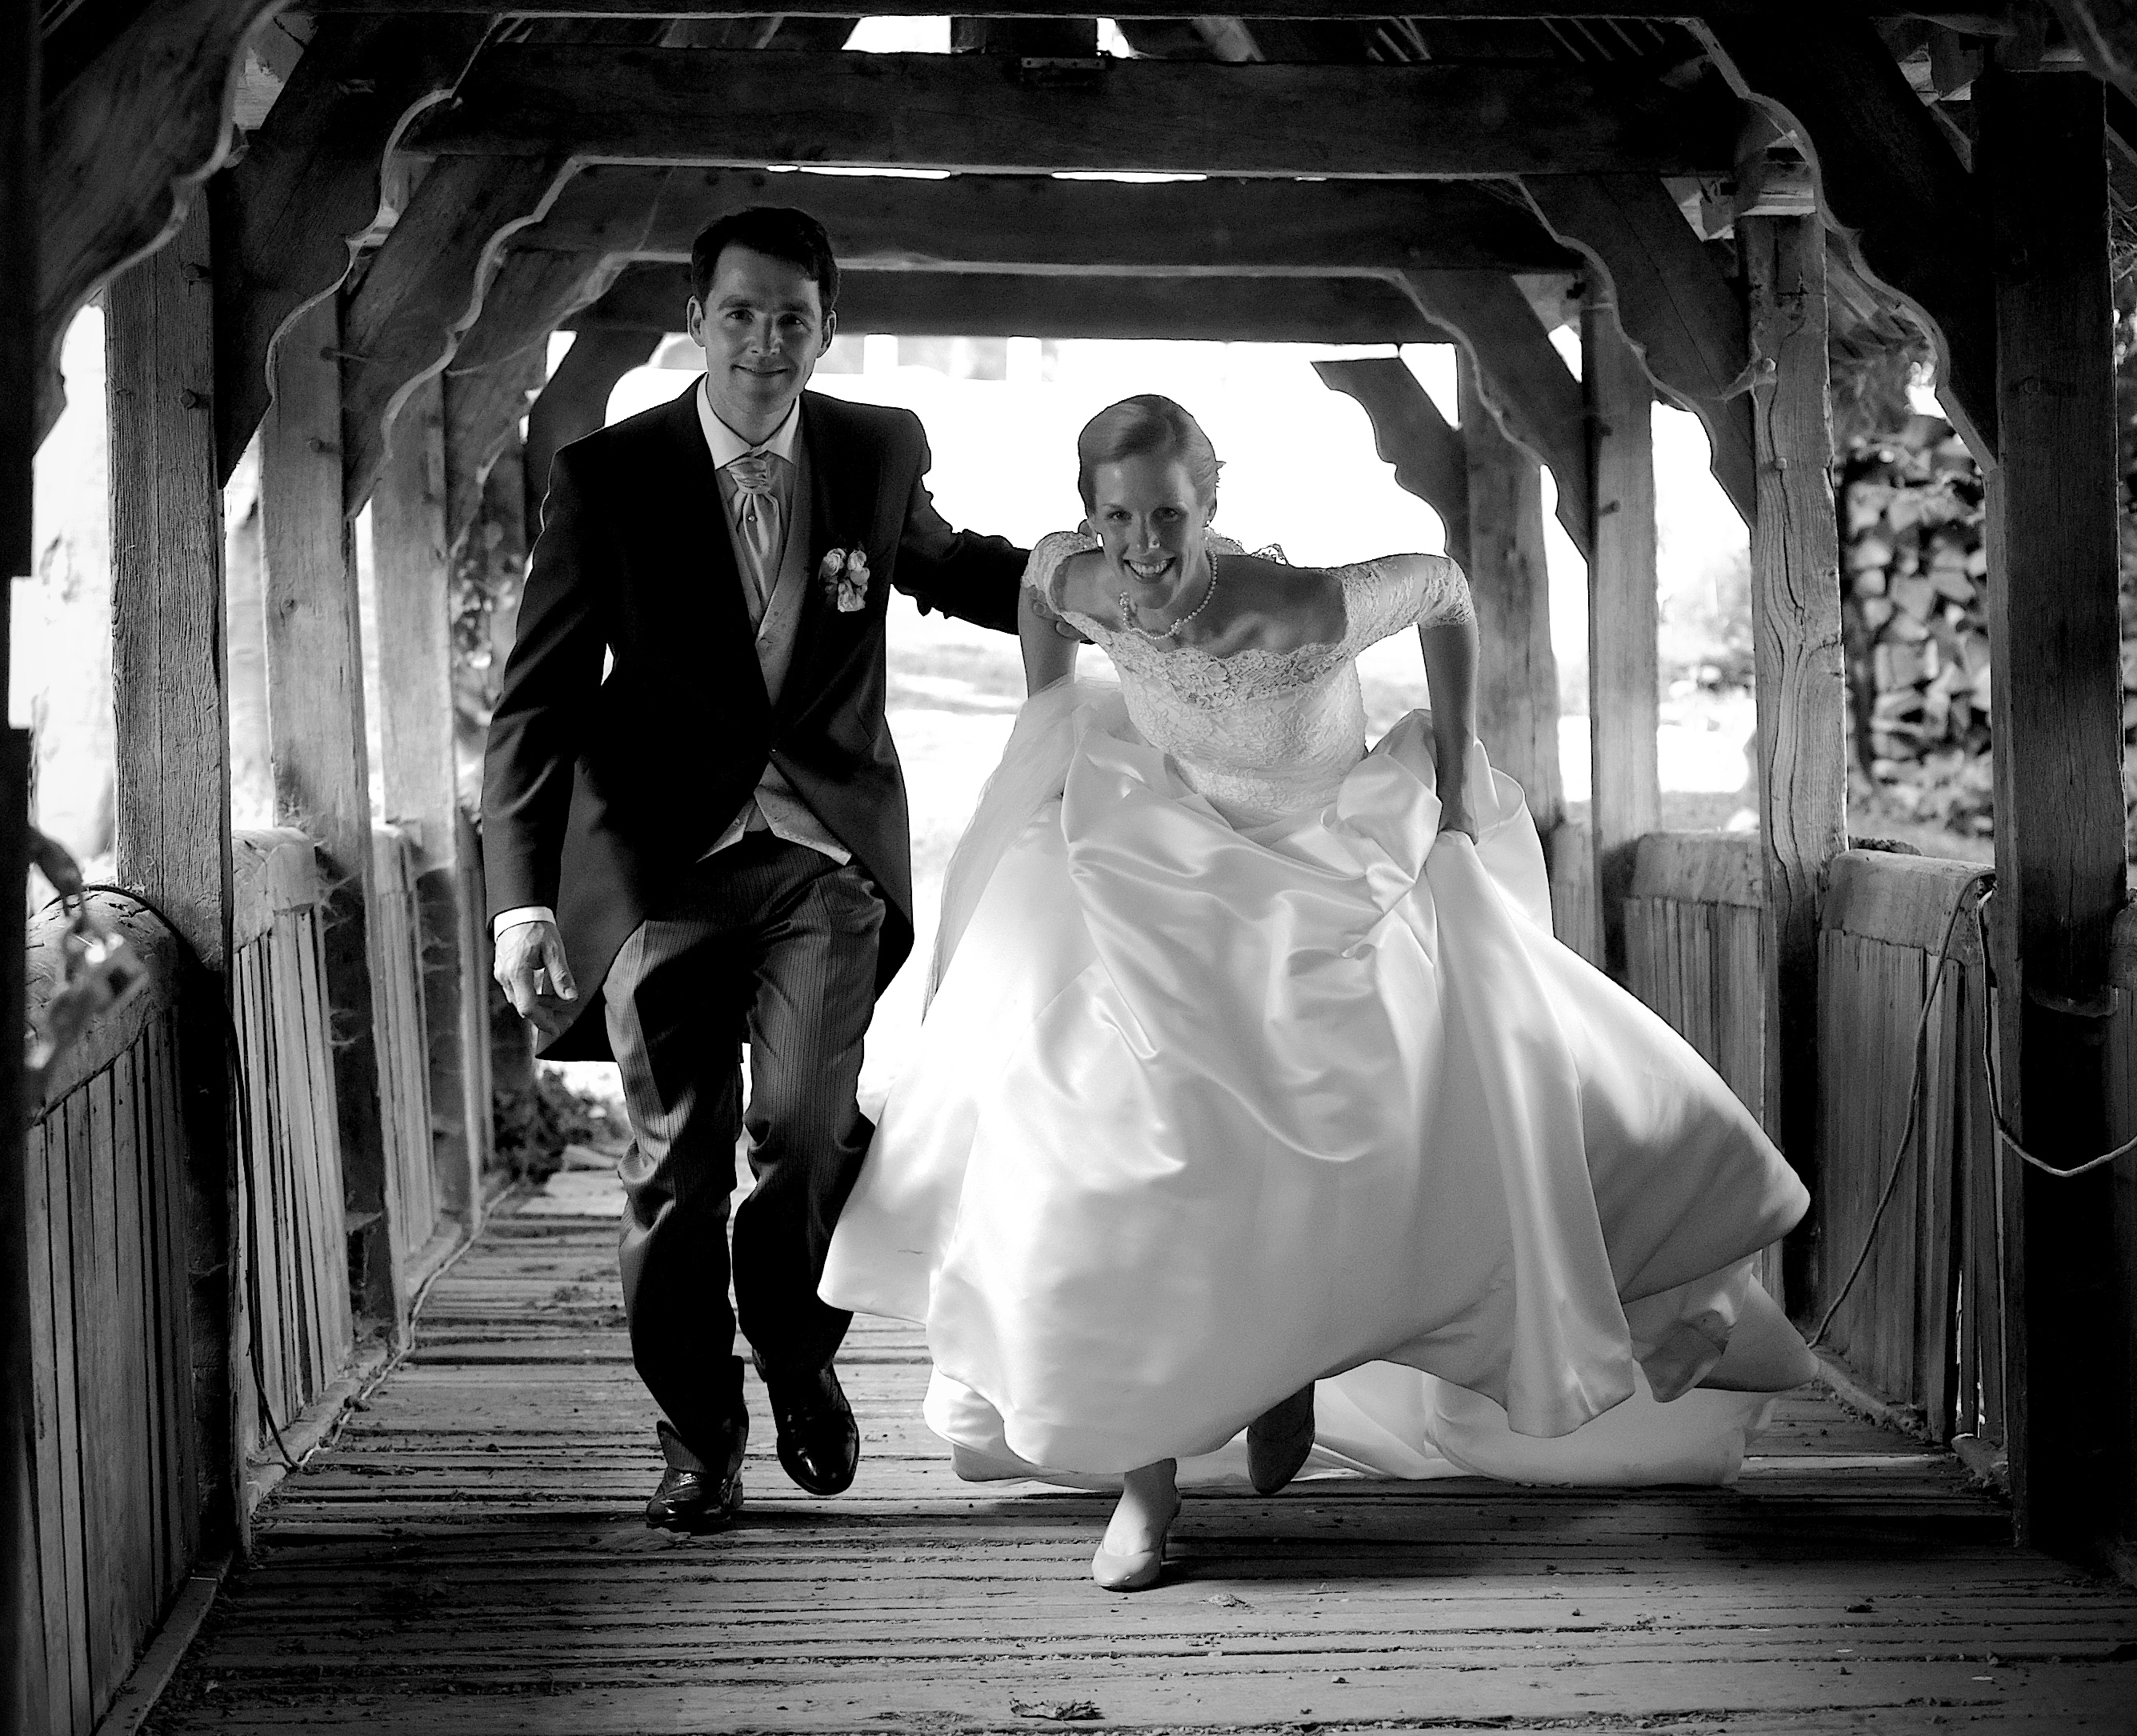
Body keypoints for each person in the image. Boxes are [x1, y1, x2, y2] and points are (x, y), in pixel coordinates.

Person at [822, 393, 1812, 1591]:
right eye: (1117, 518)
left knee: (1395, 1111)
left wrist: (1458, 776)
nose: (1143, 544)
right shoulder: (1081, 580)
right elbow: (1039, 589)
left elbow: (1448, 591)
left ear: (1212, 502)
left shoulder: (1302, 606)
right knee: (1112, 1132)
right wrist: (1051, 719)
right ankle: (1146, 1478)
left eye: (1169, 514)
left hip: (1330, 863)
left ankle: (1297, 1362)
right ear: (1089, 517)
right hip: (1169, 864)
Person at [482, 207, 1027, 1537]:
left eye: (793, 317)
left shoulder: (877, 450)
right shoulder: (608, 476)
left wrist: (1115, 578)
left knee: (804, 1123)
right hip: (657, 866)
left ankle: (794, 1345)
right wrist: (520, 901)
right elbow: (536, 703)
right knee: (675, 1161)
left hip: (821, 863)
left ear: (828, 328)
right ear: (697, 320)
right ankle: (697, 1431)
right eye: (740, 313)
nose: (765, 342)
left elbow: (952, 568)